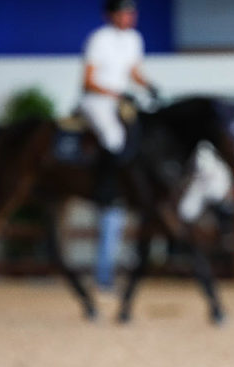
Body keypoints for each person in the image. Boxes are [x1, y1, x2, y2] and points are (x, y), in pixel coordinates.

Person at [79, 0, 157, 289]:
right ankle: (108, 188)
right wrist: (117, 93)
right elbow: (88, 80)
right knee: (113, 138)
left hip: (121, 100)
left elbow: (133, 71)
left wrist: (149, 86)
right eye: (124, 12)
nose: (129, 17)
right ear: (111, 15)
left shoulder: (135, 39)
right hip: (98, 101)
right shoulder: (98, 39)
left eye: (131, 12)